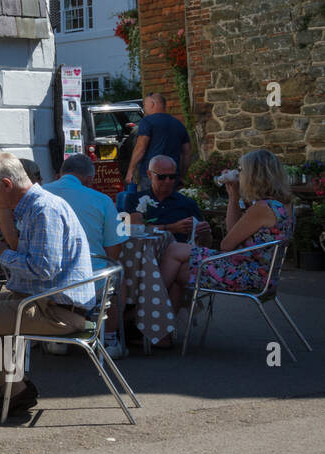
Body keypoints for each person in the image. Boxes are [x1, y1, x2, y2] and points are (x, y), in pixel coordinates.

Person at [0, 153, 95, 417]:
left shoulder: (44, 209)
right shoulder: (32, 207)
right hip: (39, 299)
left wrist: (0, 253)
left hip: (56, 310)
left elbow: (44, 268)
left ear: (6, 184)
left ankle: (15, 390)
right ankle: (11, 385)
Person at [160, 149, 294, 318]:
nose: (239, 174)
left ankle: (146, 312)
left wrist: (235, 194)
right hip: (263, 274)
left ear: (254, 175)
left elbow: (226, 245)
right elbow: (235, 232)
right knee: (177, 263)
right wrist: (234, 196)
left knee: (173, 255)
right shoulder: (283, 205)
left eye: (241, 170)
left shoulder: (262, 208)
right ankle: (160, 330)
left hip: (249, 275)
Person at [43, 153, 130, 357]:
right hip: (90, 279)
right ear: (89, 179)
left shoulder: (41, 194)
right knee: (117, 276)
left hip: (46, 279)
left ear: (60, 174)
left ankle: (58, 335)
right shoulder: (102, 200)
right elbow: (114, 250)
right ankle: (109, 339)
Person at [125, 155, 211, 245]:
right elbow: (135, 231)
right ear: (149, 175)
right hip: (146, 253)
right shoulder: (135, 199)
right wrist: (172, 228)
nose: (167, 181)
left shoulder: (187, 203)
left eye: (172, 177)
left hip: (179, 253)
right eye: (161, 177)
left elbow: (204, 244)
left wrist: (204, 234)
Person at [125, 93, 191, 187]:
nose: (144, 107)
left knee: (150, 201)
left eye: (144, 105)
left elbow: (140, 148)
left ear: (152, 104)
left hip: (151, 176)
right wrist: (181, 175)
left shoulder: (147, 121)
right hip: (172, 176)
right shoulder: (178, 124)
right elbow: (186, 153)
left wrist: (130, 171)